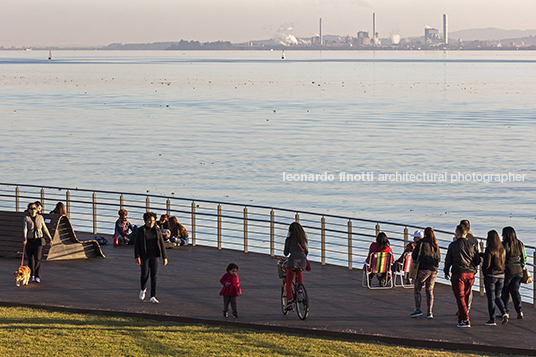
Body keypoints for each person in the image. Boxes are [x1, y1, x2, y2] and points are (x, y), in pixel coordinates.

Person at [444, 224, 481, 328]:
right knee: (465, 295)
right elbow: (477, 260)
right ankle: (461, 319)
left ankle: (465, 319)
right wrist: (474, 268)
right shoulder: (473, 245)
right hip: (470, 273)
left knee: (460, 296)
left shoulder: (453, 245)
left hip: (458, 272)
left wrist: (446, 271)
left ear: (457, 233)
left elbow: (448, 260)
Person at [135, 211, 168, 304]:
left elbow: (161, 243)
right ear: (145, 221)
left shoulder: (157, 230)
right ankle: (143, 288)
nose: (152, 222)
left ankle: (153, 296)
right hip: (144, 256)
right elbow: (136, 245)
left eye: (153, 221)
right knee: (144, 275)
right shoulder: (141, 230)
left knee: (154, 276)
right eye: (150, 221)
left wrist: (164, 257)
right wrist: (137, 256)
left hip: (155, 255)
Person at [410, 227, 440, 319]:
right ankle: (429, 312)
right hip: (433, 270)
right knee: (429, 290)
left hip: (423, 269)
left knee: (417, 289)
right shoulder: (435, 244)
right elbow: (438, 258)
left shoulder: (421, 243)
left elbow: (414, 255)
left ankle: (418, 310)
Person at [23, 202, 53, 283]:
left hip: (38, 239)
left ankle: (37, 276)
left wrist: (50, 238)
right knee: (30, 258)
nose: (33, 210)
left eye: (34, 208)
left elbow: (44, 228)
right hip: (29, 240)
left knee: (38, 258)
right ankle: (31, 274)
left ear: (37, 210)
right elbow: (25, 229)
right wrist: (25, 238)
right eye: (31, 209)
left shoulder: (40, 217)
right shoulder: (26, 218)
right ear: (28, 210)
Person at [482, 230, 508, 326]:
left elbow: (487, 265)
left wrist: (483, 269)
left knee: (491, 298)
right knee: (497, 296)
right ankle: (504, 312)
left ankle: (492, 319)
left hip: (491, 276)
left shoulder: (490, 249)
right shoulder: (501, 249)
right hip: (501, 275)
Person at [501, 226, 527, 320]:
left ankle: (505, 311)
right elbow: (524, 257)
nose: (501, 235)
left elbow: (502, 258)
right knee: (515, 291)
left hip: (508, 270)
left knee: (505, 291)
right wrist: (522, 266)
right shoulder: (520, 243)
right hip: (519, 270)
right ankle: (519, 311)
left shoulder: (504, 245)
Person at [284, 222, 309, 307]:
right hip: (302, 262)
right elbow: (306, 252)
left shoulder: (289, 239)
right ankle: (300, 288)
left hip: (292, 262)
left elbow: (286, 253)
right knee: (299, 271)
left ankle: (290, 300)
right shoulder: (303, 239)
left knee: (289, 282)